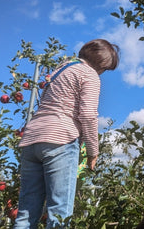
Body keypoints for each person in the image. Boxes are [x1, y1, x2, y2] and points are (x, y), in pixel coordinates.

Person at [13, 39, 120, 229]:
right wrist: (93, 152)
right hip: (60, 140)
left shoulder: (60, 70)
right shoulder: (90, 74)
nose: (103, 73)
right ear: (102, 65)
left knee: (26, 213)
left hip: (31, 140)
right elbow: (88, 115)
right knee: (59, 213)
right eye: (105, 69)